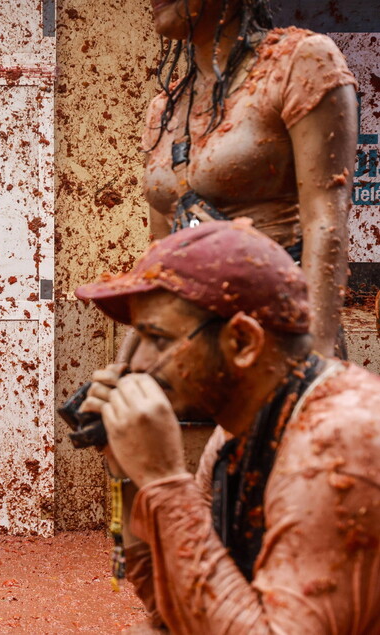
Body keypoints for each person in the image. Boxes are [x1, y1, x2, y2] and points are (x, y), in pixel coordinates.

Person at [76, 219, 380, 633]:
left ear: (241, 342)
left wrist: (165, 479)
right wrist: (129, 473)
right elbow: (173, 610)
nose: (137, 366)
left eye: (159, 339)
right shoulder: (235, 433)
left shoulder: (336, 440)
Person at [140, 0, 357, 357]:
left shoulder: (300, 62)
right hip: (192, 354)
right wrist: (138, 357)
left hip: (279, 343)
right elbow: (162, 262)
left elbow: (325, 223)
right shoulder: (164, 108)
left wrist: (315, 364)